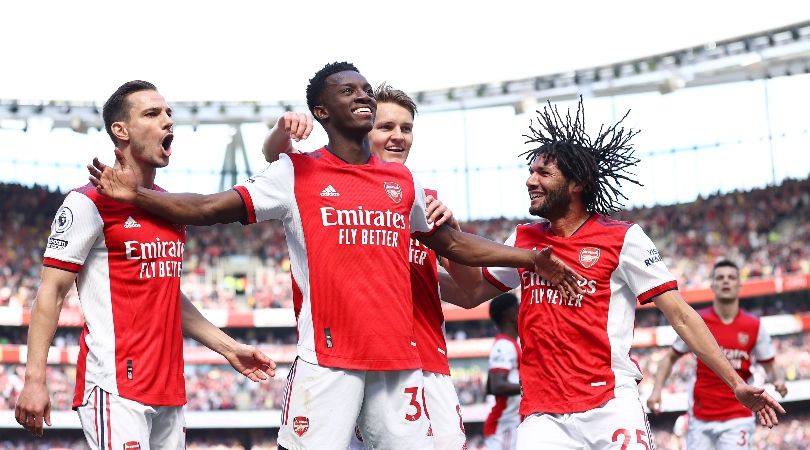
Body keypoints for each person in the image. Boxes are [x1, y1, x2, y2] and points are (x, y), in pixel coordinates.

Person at [86, 63, 584, 450]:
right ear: (322, 112)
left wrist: (530, 259)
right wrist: (138, 198)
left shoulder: (402, 182)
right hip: (328, 362)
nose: (363, 96)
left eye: (366, 89)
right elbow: (209, 207)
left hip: (398, 362)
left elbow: (450, 245)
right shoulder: (294, 174)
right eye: (349, 91)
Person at [438, 98, 785, 449]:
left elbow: (680, 315)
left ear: (577, 183)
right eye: (530, 171)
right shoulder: (524, 240)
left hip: (610, 404)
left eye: (543, 172)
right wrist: (421, 256)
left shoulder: (623, 238)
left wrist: (735, 383)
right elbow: (469, 294)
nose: (530, 180)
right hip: (542, 415)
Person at [14, 81, 275, 449]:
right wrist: (35, 379)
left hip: (169, 389)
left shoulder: (170, 208)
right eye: (152, 114)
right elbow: (51, 293)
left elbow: (167, 293)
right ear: (120, 131)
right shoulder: (86, 203)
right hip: (117, 387)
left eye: (169, 114)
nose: (167, 121)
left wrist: (228, 347)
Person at [263, 83, 475, 450]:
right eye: (386, 126)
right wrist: (281, 131)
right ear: (363, 127)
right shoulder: (322, 184)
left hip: (423, 367)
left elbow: (469, 293)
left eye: (406, 129)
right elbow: (277, 159)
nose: (398, 137)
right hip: (342, 363)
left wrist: (453, 237)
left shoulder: (426, 203)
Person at [647, 259, 788, 450]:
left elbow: (771, 366)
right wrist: (656, 391)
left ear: (739, 285)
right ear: (712, 285)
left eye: (731, 277)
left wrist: (778, 380)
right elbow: (669, 357)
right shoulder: (697, 322)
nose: (726, 281)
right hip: (700, 419)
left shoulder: (754, 326)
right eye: (720, 278)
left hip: (738, 418)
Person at [483, 293, 521, 450]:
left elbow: (490, 386)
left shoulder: (510, 344)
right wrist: (533, 386)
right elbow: (497, 386)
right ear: (510, 315)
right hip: (504, 427)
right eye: (519, 309)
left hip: (510, 425)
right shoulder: (504, 345)